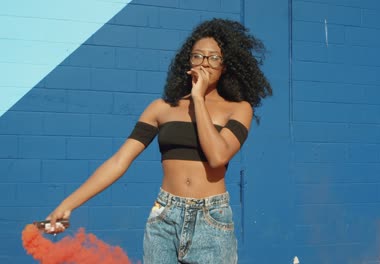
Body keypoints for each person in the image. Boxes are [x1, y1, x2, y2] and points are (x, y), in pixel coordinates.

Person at [45, 18, 272, 263]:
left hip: (211, 219)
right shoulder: (161, 108)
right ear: (188, 61)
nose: (205, 63)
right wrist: (68, 204)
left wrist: (198, 99)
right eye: (198, 56)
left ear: (225, 66)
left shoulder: (238, 109)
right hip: (164, 217)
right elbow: (120, 160)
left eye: (213, 57)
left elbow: (218, 156)